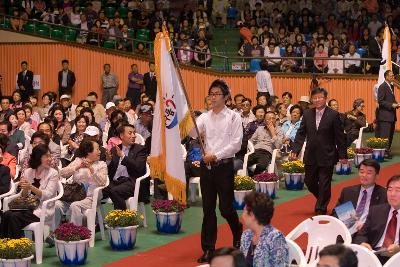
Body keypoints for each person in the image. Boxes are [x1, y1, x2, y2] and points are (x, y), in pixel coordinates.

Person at [190, 80, 243, 263]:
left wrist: (216, 155)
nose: (212, 97)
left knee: (226, 208)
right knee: (208, 209)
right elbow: (191, 134)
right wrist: (188, 118)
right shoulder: (205, 117)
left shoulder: (234, 117)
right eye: (210, 93)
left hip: (224, 166)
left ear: (226, 96)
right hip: (207, 168)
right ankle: (208, 249)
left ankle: (237, 231)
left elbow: (235, 144)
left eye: (216, 94)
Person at [290, 87, 347, 215]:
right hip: (311, 154)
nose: (317, 100)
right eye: (314, 98)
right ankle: (323, 198)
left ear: (325, 98)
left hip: (327, 154)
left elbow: (340, 137)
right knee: (309, 181)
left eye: (320, 97)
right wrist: (296, 149)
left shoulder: (333, 114)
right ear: (311, 99)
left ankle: (321, 208)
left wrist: (343, 155)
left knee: (324, 182)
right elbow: (301, 133)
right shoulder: (307, 114)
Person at [0, 144, 59, 238]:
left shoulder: (53, 173)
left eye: (50, 155)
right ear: (38, 157)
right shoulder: (28, 172)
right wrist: (25, 188)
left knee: (14, 217)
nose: (50, 159)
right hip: (27, 207)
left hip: (42, 209)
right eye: (46, 156)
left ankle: (17, 248)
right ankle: (5, 246)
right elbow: (24, 196)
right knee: (6, 214)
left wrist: (31, 187)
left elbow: (48, 194)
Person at [56, 140, 107, 225]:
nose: (100, 151)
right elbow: (62, 173)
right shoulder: (78, 161)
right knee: (56, 204)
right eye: (97, 149)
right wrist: (77, 167)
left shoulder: (101, 164)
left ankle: (76, 235)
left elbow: (103, 181)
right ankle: (55, 233)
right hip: (74, 195)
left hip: (90, 197)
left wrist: (91, 169)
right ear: (88, 152)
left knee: (75, 206)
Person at [353, 175, 400, 263]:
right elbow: (361, 234)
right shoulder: (376, 210)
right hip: (374, 255)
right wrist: (362, 243)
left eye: (397, 190)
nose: (392, 194)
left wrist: (399, 249)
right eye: (389, 190)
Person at [102, 123, 147, 210]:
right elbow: (109, 171)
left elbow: (139, 168)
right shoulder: (115, 150)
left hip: (131, 182)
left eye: (134, 133)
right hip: (115, 181)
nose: (134, 136)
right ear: (122, 135)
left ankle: (122, 219)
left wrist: (123, 156)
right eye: (130, 133)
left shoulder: (140, 149)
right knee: (97, 192)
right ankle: (95, 219)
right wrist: (108, 160)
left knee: (115, 192)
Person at [335, 159, 387, 231]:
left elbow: (384, 220)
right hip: (346, 231)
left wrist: (366, 226)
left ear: (377, 176)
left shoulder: (384, 195)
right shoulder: (347, 192)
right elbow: (335, 214)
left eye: (369, 173)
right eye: (361, 172)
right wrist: (349, 220)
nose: (364, 175)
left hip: (368, 233)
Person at [240, 191, 289, 267]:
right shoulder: (246, 235)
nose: (242, 216)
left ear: (252, 215)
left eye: (244, 211)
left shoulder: (275, 238)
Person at [248, 111, 283, 175]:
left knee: (262, 165)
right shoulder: (260, 128)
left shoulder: (279, 130)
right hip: (256, 150)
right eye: (269, 119)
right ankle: (250, 176)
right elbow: (251, 140)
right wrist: (251, 148)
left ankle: (254, 177)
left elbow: (278, 146)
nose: (271, 120)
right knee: (244, 162)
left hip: (267, 152)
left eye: (273, 118)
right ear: (264, 120)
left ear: (276, 120)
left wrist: (273, 133)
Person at [375, 70, 399, 159]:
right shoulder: (382, 87)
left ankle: (387, 150)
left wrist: (396, 103)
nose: (393, 77)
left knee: (390, 134)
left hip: (391, 115)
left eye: (393, 76)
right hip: (385, 116)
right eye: (391, 76)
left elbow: (391, 99)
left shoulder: (391, 86)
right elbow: (380, 101)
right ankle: (384, 152)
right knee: (385, 135)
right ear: (386, 77)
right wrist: (391, 105)